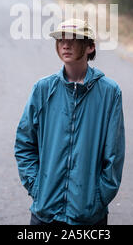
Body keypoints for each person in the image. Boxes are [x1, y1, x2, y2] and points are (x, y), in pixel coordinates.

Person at [14, 18, 125, 225]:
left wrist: (97, 199)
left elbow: (114, 156)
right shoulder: (43, 89)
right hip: (45, 213)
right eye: (61, 40)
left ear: (90, 46)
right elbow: (24, 143)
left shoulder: (110, 93)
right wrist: (38, 188)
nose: (65, 44)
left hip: (88, 216)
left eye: (74, 39)